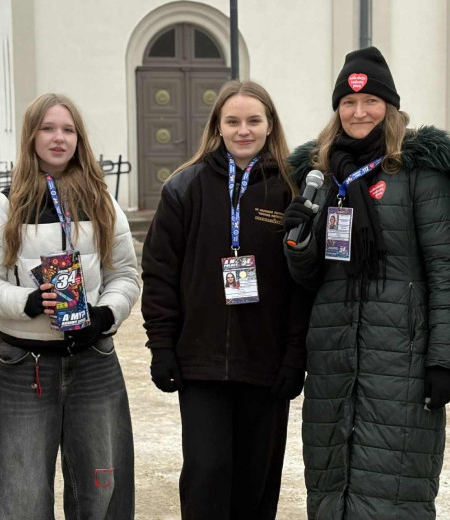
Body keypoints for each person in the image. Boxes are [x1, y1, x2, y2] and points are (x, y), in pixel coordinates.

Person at [282, 47, 450, 519]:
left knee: (397, 486)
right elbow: (309, 278)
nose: (358, 112)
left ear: (389, 105)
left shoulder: (418, 169)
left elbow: (445, 269)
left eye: (370, 101)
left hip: (400, 357)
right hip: (333, 354)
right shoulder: (318, 172)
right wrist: (297, 239)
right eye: (347, 102)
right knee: (329, 483)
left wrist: (443, 360)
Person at [141, 80, 311, 519]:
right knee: (207, 474)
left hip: (266, 365)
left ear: (270, 125)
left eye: (254, 120)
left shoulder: (289, 191)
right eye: (232, 121)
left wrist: (295, 356)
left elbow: (301, 283)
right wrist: (162, 346)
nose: (243, 130)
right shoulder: (184, 187)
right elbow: (160, 272)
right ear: (217, 126)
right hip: (201, 364)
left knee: (256, 482)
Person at [0, 93, 140, 519]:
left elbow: (125, 274)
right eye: (48, 128)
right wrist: (24, 302)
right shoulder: (4, 206)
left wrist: (104, 315)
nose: (58, 138)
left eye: (68, 130)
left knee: (102, 490)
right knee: (20, 497)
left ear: (79, 139)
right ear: (31, 136)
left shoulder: (103, 203)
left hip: (94, 359)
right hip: (24, 366)